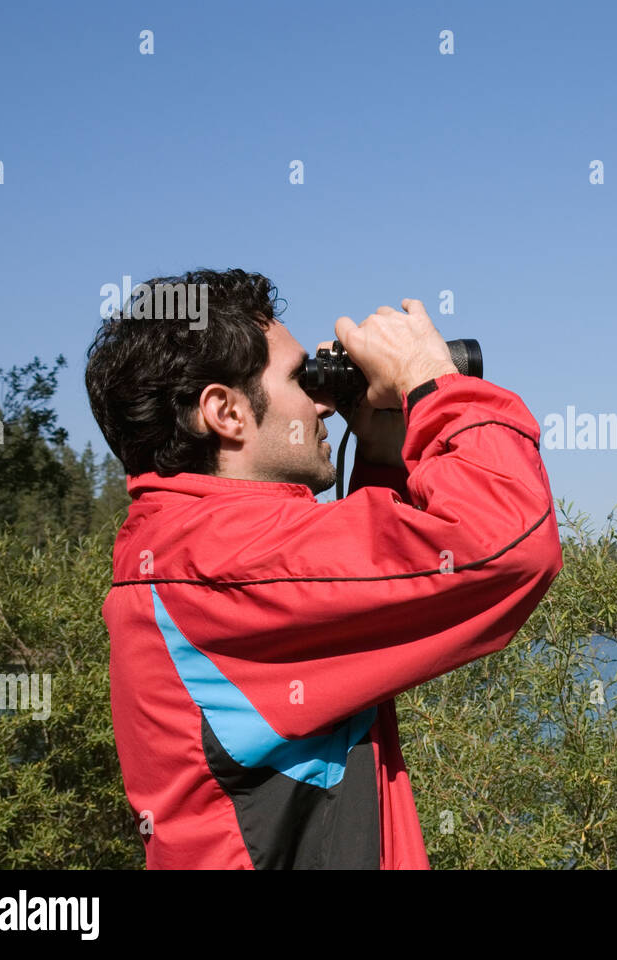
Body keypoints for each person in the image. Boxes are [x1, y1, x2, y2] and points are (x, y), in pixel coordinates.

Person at [84, 268, 564, 868]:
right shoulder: (222, 562)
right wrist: (431, 381)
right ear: (225, 412)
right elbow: (506, 543)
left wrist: (387, 447)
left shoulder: (184, 551)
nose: (321, 401)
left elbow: (371, 589)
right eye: (297, 376)